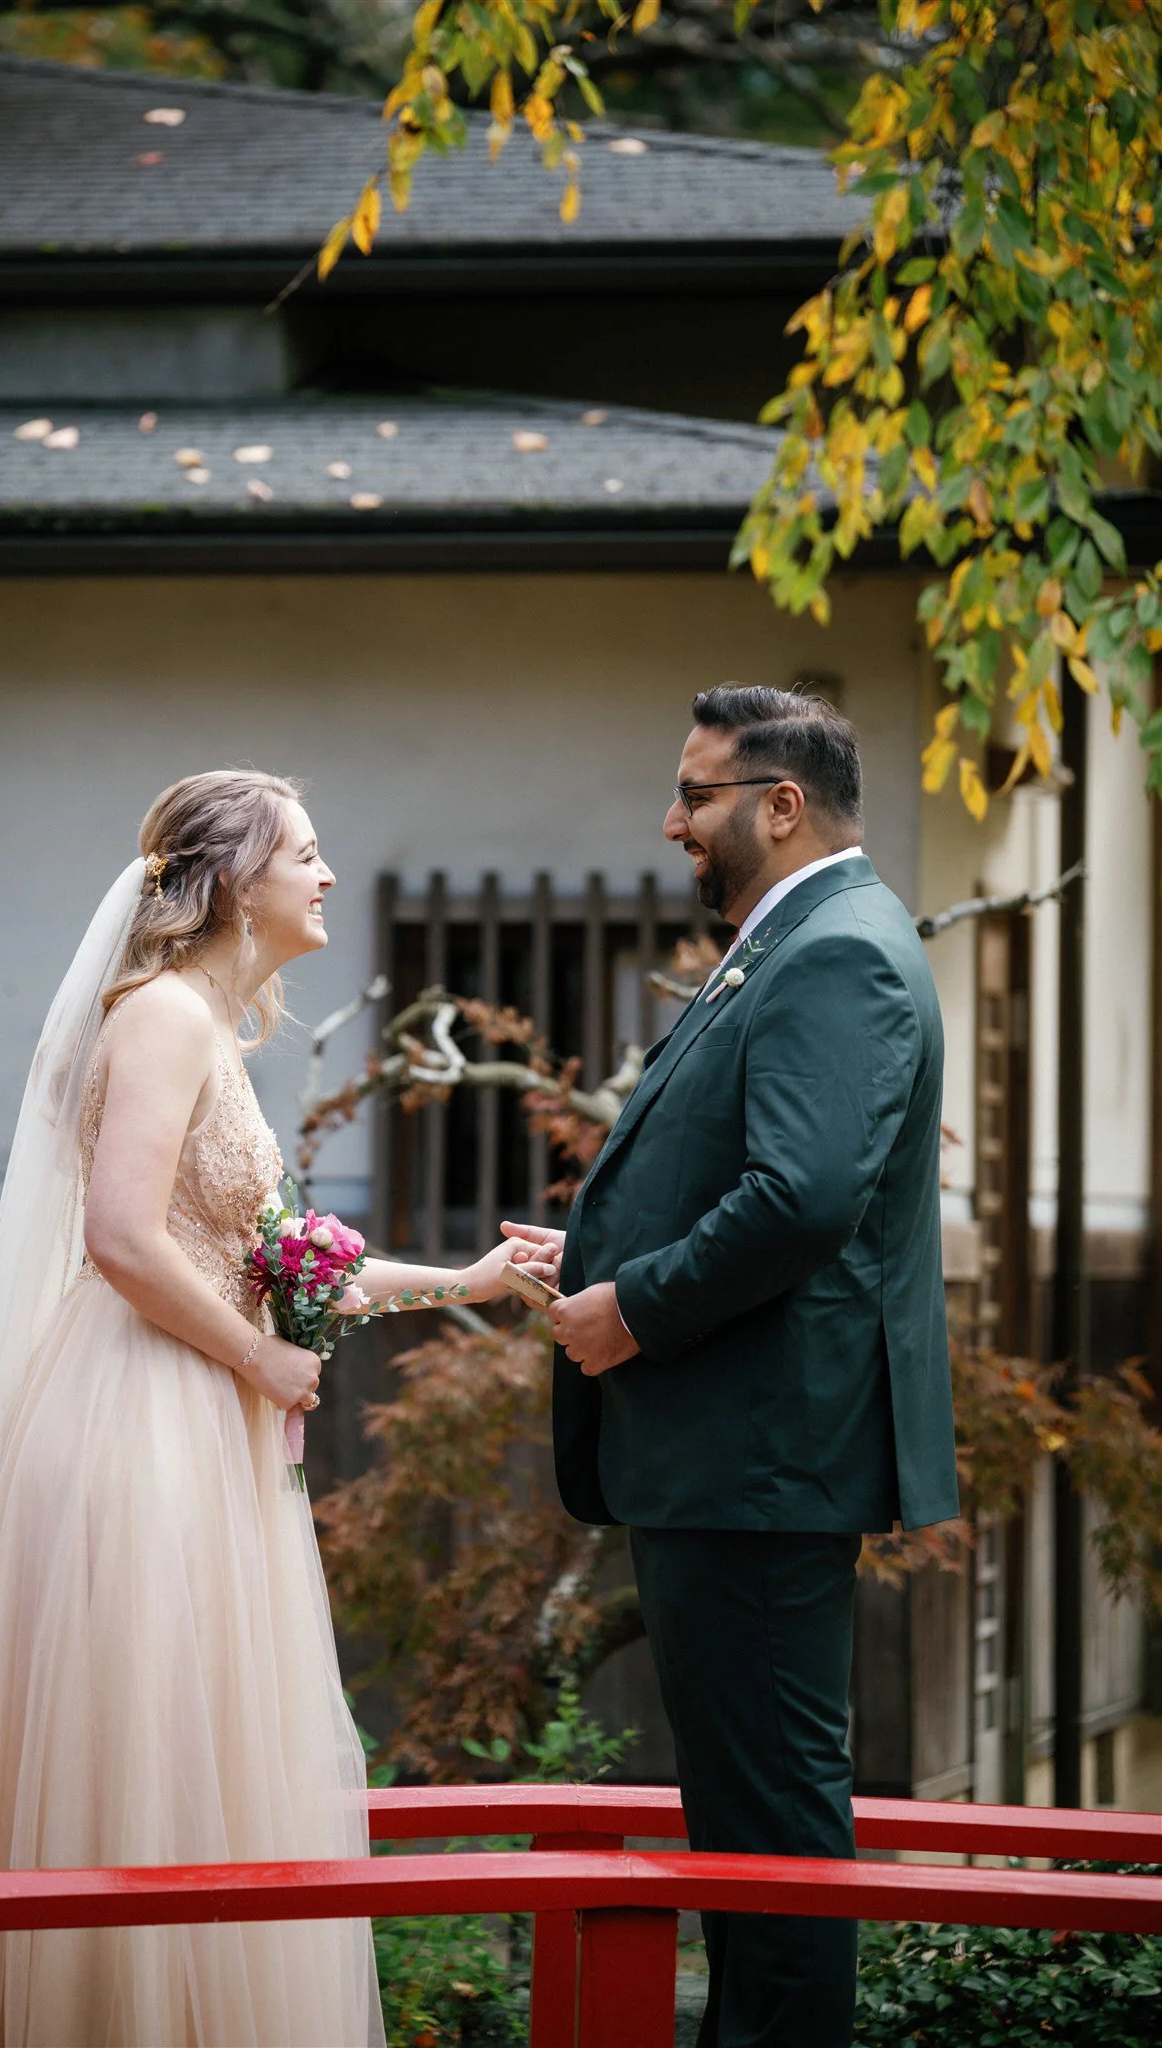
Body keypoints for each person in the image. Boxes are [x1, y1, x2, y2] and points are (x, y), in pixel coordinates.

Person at [0, 768, 517, 2048]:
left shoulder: (212, 1029)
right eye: (305, 852)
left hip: (197, 1411)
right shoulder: (161, 1015)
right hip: (140, 1418)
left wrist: (469, 1279)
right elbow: (120, 1236)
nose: (327, 874)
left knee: (201, 1753)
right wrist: (261, 1360)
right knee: (140, 1753)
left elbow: (277, 1257)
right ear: (233, 882)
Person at [504, 686, 959, 2048]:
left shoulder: (839, 950)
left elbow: (803, 1198)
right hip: (741, 1453)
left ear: (782, 804)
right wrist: (597, 1248)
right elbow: (746, 1170)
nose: (672, 821)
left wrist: (633, 1311)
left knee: (770, 1831)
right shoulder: (797, 938)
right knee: (746, 1819)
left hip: (761, 1458)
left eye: (696, 795)